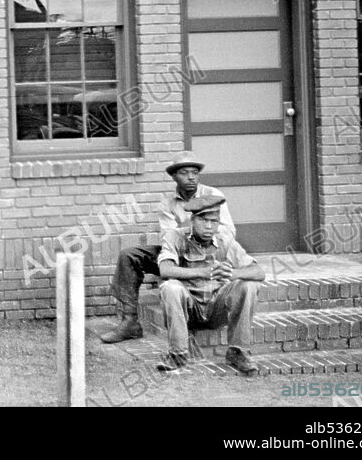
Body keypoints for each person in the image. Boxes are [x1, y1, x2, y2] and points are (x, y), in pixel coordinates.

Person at [100, 151, 236, 343]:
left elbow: (228, 232)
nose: (191, 177)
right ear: (173, 176)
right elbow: (169, 237)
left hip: (209, 254)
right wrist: (188, 234)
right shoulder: (168, 203)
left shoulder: (213, 195)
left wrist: (200, 230)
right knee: (129, 255)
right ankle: (130, 321)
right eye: (184, 173)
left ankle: (187, 305)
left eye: (195, 173)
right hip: (180, 253)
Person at [156, 196, 263, 375]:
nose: (208, 227)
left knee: (248, 285)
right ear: (193, 220)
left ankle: (238, 352)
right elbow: (165, 269)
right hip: (189, 310)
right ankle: (178, 354)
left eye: (213, 221)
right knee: (170, 287)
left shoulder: (224, 241)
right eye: (203, 220)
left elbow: (259, 272)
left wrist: (232, 274)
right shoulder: (175, 237)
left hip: (216, 308)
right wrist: (204, 271)